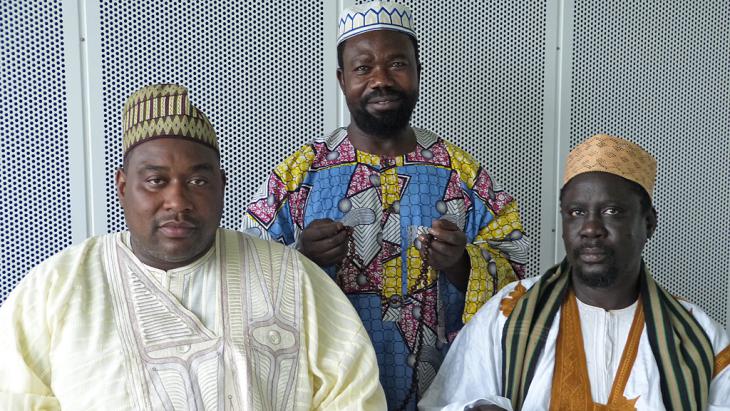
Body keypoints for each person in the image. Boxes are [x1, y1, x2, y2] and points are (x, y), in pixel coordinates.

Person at [0, 84, 386, 410]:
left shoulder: (292, 278)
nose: (177, 202)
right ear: (122, 187)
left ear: (221, 185)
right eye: (155, 181)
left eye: (198, 182)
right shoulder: (57, 287)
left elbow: (354, 395)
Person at [241, 2, 528, 408]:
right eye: (363, 68)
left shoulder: (462, 174)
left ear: (417, 72)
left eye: (397, 64)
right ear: (342, 80)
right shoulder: (297, 175)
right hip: (329, 396)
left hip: (445, 393)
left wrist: (463, 264)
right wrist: (301, 257)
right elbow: (244, 281)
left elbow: (519, 273)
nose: (381, 80)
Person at [419, 134, 730, 410]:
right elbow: (446, 402)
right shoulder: (508, 315)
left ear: (648, 223)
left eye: (612, 212)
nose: (591, 228)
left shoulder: (700, 338)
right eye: (576, 213)